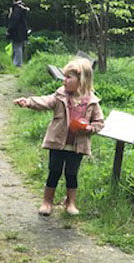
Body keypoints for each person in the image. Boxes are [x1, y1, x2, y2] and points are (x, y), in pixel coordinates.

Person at [14, 56, 104, 216]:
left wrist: (89, 128)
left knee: (71, 174)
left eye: (68, 77)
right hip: (58, 142)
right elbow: (45, 101)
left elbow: (99, 123)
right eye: (64, 77)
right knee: (54, 171)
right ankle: (47, 202)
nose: (64, 81)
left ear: (81, 80)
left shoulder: (92, 102)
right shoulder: (60, 96)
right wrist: (29, 102)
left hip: (77, 145)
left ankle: (70, 203)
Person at [6, 0, 29, 68]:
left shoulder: (17, 9)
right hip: (22, 31)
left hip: (17, 32)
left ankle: (17, 64)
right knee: (18, 47)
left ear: (14, 1)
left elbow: (14, 21)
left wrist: (9, 30)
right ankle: (17, 63)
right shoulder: (23, 8)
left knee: (17, 47)